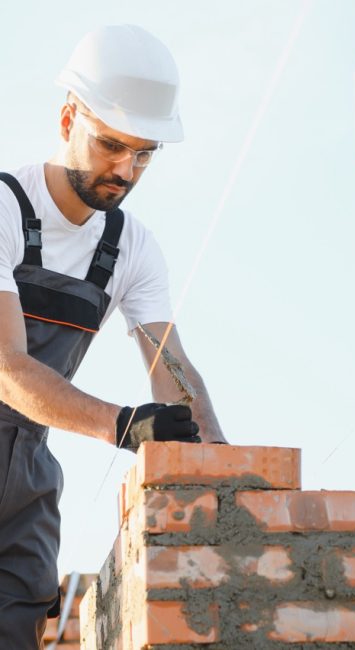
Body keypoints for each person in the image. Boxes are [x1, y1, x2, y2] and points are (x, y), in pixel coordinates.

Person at [0, 24, 226, 649]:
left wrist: (226, 471)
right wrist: (123, 425)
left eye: (146, 152)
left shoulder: (132, 247)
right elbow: (5, 367)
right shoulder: (3, 211)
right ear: (68, 115)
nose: (126, 170)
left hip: (25, 483)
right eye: (111, 145)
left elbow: (171, 363)